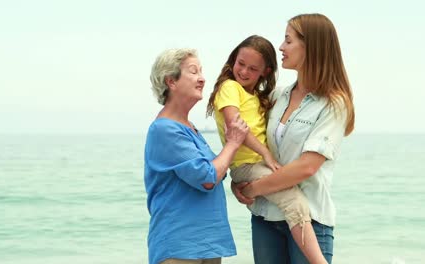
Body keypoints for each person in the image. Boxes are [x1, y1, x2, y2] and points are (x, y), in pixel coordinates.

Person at [232, 14, 356, 264]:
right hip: (265, 219)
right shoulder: (278, 97)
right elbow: (256, 150)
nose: (281, 47)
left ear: (311, 47)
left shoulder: (333, 104)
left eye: (288, 41)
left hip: (309, 221)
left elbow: (306, 167)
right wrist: (240, 182)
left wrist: (253, 189)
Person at [206, 35, 327, 264]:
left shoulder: (258, 97)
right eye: (241, 64)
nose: (243, 71)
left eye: (253, 68)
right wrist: (265, 153)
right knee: (296, 203)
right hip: (248, 165)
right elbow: (236, 126)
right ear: (233, 60)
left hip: (254, 167)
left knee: (292, 203)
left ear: (265, 72)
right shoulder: (229, 87)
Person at [144, 48, 249, 264]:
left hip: (207, 244)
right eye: (193, 72)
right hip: (180, 245)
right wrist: (233, 143)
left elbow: (215, 173)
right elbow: (207, 178)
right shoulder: (165, 130)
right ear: (171, 81)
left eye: (201, 71)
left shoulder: (190, 128)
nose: (202, 78)